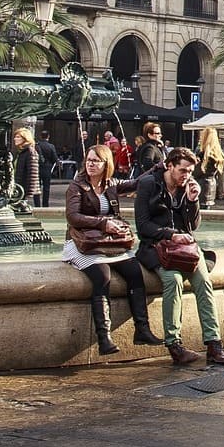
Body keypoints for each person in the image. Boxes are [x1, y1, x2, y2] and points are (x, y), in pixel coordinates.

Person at [134, 147, 224, 366]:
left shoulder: (186, 186)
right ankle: (174, 344)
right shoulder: (149, 184)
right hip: (157, 248)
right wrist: (170, 234)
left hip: (185, 250)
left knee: (204, 282)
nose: (186, 175)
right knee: (173, 280)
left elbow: (193, 225)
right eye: (182, 170)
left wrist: (192, 201)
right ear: (169, 166)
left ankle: (213, 343)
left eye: (189, 171)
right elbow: (142, 226)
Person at [64, 144, 162, 354]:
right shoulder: (77, 186)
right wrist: (103, 223)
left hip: (109, 243)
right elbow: (72, 217)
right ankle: (104, 338)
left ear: (106, 164)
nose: (91, 164)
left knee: (135, 273)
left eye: (96, 161)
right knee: (103, 277)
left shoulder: (111, 184)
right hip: (84, 243)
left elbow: (136, 183)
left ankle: (142, 330)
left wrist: (159, 168)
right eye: (89, 160)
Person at [11, 127, 42, 210]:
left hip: (23, 188)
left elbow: (33, 173)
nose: (15, 139)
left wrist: (29, 192)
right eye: (15, 136)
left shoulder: (30, 152)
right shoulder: (20, 152)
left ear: (25, 139)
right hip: (18, 186)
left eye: (18, 137)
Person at [194, 128, 224, 211]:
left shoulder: (204, 155)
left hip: (202, 185)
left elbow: (197, 172)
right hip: (211, 185)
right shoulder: (217, 154)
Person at [35, 131, 59, 208]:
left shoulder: (36, 145)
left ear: (40, 136)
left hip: (37, 167)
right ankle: (45, 204)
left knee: (36, 187)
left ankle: (37, 204)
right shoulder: (51, 146)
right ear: (48, 136)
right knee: (46, 187)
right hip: (47, 168)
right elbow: (55, 158)